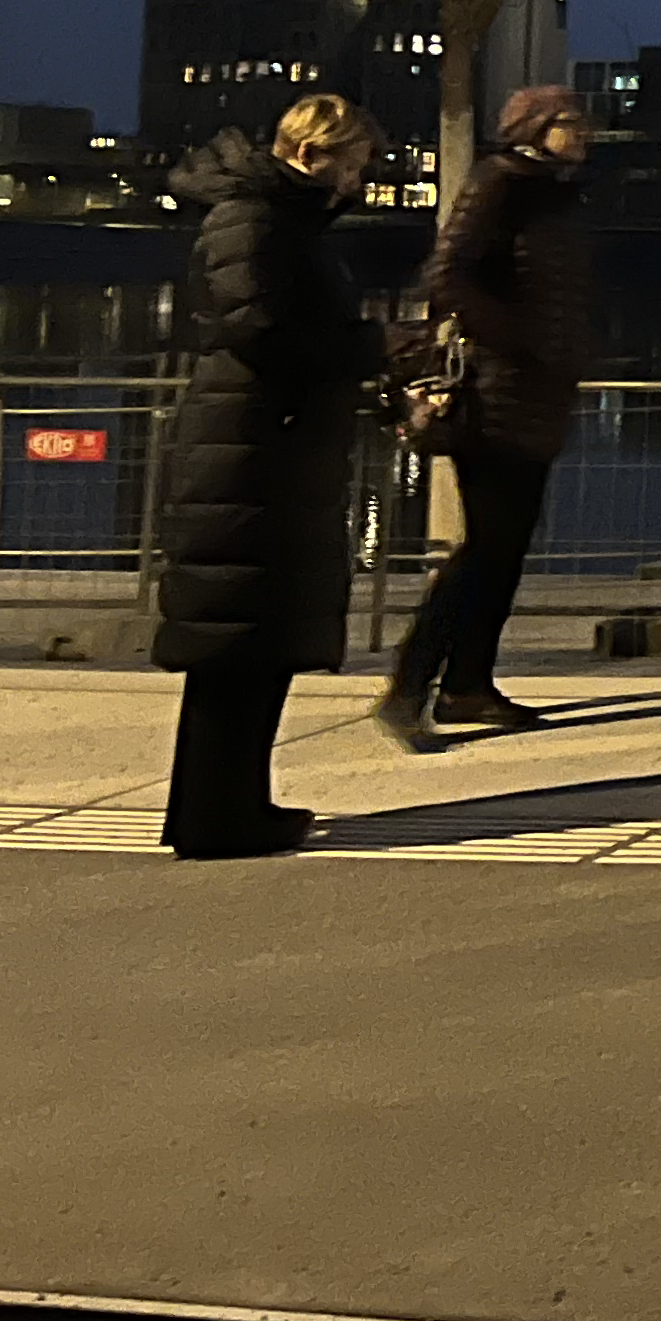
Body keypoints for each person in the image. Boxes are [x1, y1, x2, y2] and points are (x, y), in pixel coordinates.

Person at [151, 93, 387, 858]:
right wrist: (367, 348)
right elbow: (259, 327)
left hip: (263, 444)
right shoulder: (255, 220)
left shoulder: (274, 219)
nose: (356, 183)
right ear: (313, 153)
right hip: (253, 446)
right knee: (237, 647)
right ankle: (217, 817)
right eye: (352, 165)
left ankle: (233, 806)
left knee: (254, 641)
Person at [374, 84, 591, 748]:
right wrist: (519, 341)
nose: (583, 132)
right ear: (535, 128)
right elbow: (448, 274)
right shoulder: (501, 182)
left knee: (505, 548)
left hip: (535, 395)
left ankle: (468, 684)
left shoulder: (551, 191)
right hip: (495, 395)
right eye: (570, 121)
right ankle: (411, 685)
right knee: (486, 547)